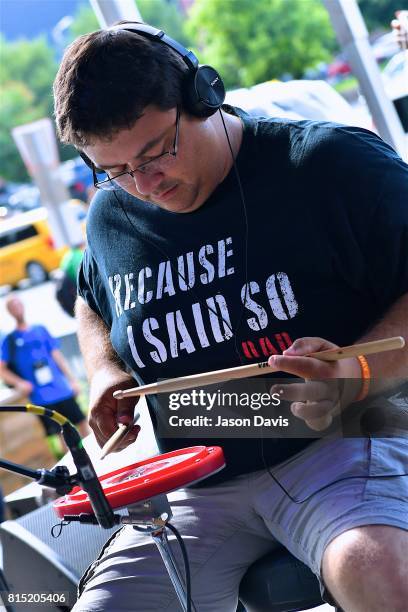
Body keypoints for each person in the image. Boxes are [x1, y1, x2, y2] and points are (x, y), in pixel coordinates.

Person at [53, 22, 408, 612]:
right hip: (196, 479)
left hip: (347, 443)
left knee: (377, 574)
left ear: (202, 95)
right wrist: (104, 371)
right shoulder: (111, 215)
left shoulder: (330, 164)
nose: (143, 185)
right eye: (113, 170)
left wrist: (359, 375)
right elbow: (91, 300)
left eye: (154, 152)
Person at [0, 295, 89, 447]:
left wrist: (72, 380)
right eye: (12, 306)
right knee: (61, 433)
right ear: (9, 311)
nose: (17, 308)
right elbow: (2, 369)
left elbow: (56, 355)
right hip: (40, 397)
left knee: (82, 423)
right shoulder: (10, 340)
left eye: (18, 304)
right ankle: (74, 467)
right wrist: (20, 383)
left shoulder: (40, 329)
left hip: (61, 388)